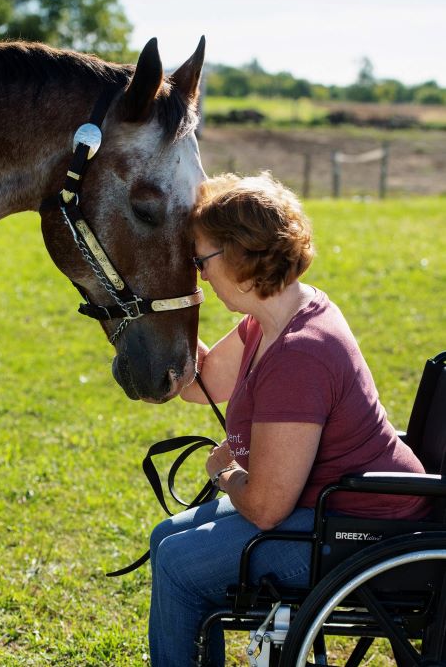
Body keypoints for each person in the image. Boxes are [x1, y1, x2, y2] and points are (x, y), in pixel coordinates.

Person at [148, 172, 430, 667]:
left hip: (362, 530)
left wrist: (225, 473)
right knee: (164, 539)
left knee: (176, 565)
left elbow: (266, 508)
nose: (199, 274)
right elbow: (204, 384)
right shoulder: (273, 317)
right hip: (331, 512)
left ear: (241, 256)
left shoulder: (300, 354)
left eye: (201, 260)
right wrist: (154, 320)